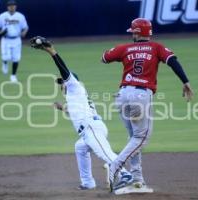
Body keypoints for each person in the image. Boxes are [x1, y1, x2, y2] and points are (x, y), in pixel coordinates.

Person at [101, 18, 194, 192]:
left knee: (134, 137)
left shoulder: (125, 48)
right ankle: (115, 167)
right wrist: (185, 81)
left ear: (137, 33)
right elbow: (173, 61)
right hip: (140, 96)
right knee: (141, 138)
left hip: (122, 96)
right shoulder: (157, 47)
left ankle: (137, 179)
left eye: (133, 32)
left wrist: (123, 53)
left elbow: (104, 58)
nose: (131, 34)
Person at [29, 36, 133, 191]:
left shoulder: (74, 87)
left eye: (62, 82)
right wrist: (60, 108)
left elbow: (63, 70)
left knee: (104, 152)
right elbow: (72, 111)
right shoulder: (74, 97)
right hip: (91, 128)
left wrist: (51, 51)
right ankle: (88, 182)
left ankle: (125, 174)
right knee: (80, 148)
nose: (61, 84)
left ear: (70, 81)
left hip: (91, 128)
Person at [0, 0, 28, 82]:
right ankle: (5, 63)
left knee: (16, 58)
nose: (12, 7)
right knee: (6, 57)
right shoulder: (2, 16)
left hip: (16, 39)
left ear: (15, 6)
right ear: (7, 7)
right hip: (6, 39)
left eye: (13, 5)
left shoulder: (20, 16)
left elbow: (25, 27)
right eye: (10, 6)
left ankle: (13, 75)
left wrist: (23, 33)